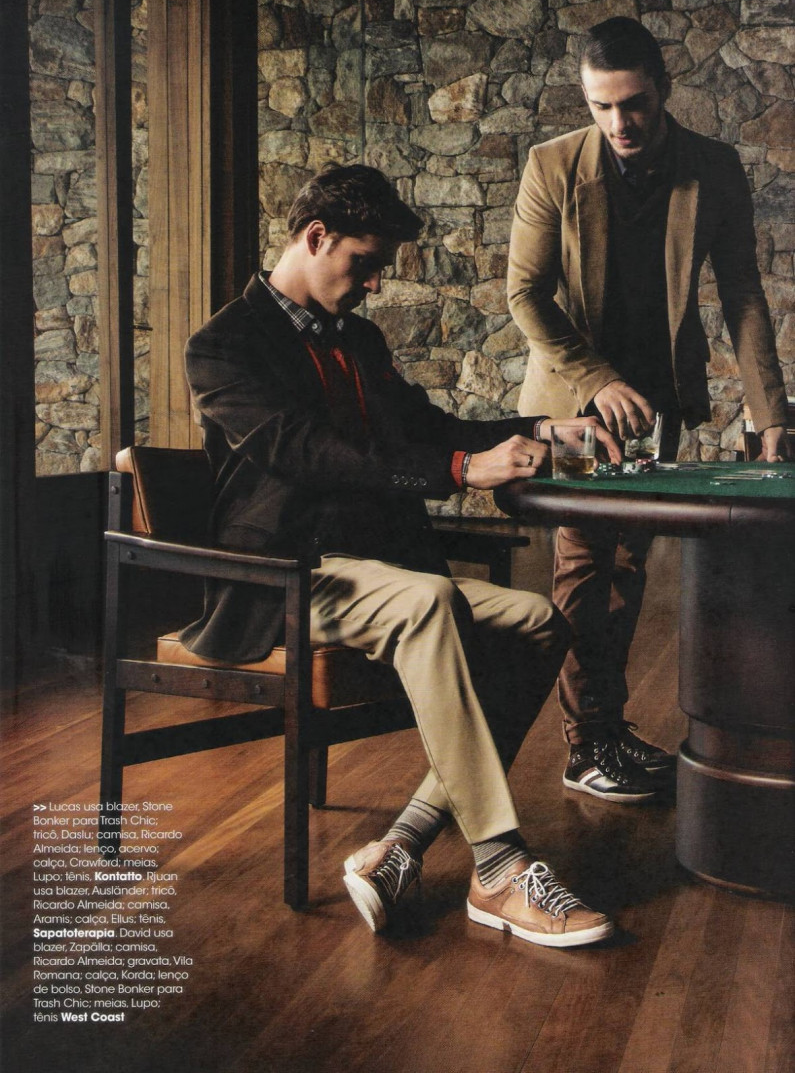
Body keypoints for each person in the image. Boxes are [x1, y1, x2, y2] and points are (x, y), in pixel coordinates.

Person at [180, 163, 622, 947]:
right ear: (315, 237)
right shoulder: (222, 345)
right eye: (365, 263)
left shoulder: (358, 338)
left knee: (537, 619)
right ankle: (499, 868)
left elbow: (427, 426)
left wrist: (539, 429)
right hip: (286, 576)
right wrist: (458, 471)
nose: (375, 284)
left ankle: (402, 845)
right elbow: (305, 452)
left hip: (379, 571)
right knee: (430, 599)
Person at [508, 17, 790, 803]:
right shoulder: (550, 166)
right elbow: (524, 296)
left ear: (662, 91)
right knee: (582, 562)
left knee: (628, 567)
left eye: (632, 103)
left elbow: (742, 295)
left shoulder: (713, 167)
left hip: (658, 398)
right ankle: (583, 747)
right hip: (576, 401)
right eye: (600, 106)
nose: (618, 122)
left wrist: (769, 413)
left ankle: (605, 725)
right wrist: (597, 380)